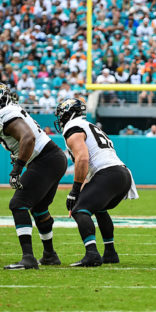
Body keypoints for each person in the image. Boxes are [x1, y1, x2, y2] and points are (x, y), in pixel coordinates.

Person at [0, 83, 67, 270]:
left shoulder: (6, 113)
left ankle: (28, 258)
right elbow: (4, 136)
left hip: (45, 159)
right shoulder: (8, 112)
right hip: (53, 158)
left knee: (18, 204)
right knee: (40, 209)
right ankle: (50, 255)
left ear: (0, 100)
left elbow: (28, 137)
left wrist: (17, 168)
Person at [54, 98, 139, 267]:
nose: (61, 120)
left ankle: (92, 254)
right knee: (99, 209)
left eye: (62, 115)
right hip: (122, 174)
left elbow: (83, 158)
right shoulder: (91, 126)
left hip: (108, 173)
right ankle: (110, 252)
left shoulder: (73, 127)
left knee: (79, 210)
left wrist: (75, 191)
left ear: (69, 114)